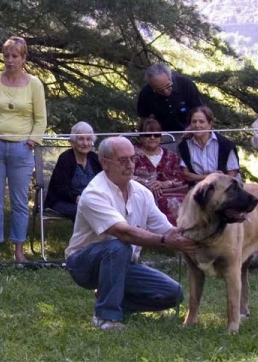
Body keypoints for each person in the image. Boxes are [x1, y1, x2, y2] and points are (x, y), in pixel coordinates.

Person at [65, 136, 197, 330]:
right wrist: (163, 241)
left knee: (173, 293)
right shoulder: (94, 193)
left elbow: (166, 228)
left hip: (124, 262)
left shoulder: (142, 193)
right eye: (123, 160)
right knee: (119, 246)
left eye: (133, 158)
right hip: (83, 265)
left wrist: (193, 238)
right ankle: (105, 317)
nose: (130, 165)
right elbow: (123, 233)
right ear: (104, 163)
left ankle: (116, 302)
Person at [0, 36, 47, 263]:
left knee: (19, 202)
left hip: (21, 149)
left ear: (24, 58)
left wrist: (31, 142)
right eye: (6, 56)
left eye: (15, 56)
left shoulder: (34, 83)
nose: (10, 60)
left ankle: (19, 251)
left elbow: (41, 119)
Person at [133, 117, 187, 225]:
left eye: (156, 134)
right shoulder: (132, 154)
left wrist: (165, 183)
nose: (152, 138)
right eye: (148, 135)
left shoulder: (171, 156)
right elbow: (125, 174)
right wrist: (147, 183)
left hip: (170, 194)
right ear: (141, 137)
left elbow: (180, 178)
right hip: (141, 194)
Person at [44, 121, 102, 221]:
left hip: (91, 201)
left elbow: (103, 181)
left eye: (89, 139)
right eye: (81, 139)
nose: (85, 143)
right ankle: (85, 236)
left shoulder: (94, 158)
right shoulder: (65, 159)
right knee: (84, 211)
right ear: (73, 141)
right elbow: (61, 189)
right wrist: (78, 199)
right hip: (63, 201)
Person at [178, 106, 240, 187]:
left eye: (201, 122)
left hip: (225, 188)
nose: (197, 125)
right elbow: (186, 175)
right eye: (194, 121)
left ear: (210, 124)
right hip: (199, 190)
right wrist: (209, 177)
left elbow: (232, 174)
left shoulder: (225, 145)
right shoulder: (185, 146)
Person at [137, 64, 205, 135]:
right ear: (151, 86)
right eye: (160, 90)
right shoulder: (146, 93)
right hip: (163, 137)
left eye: (168, 86)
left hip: (191, 132)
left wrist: (192, 127)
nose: (165, 92)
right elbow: (143, 119)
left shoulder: (186, 84)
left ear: (170, 78)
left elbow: (201, 110)